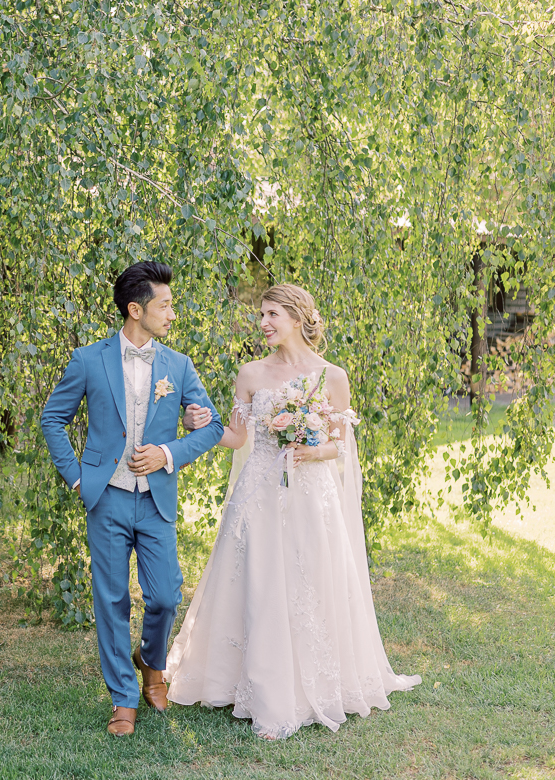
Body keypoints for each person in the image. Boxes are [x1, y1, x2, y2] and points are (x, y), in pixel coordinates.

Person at [168, 283, 420, 740]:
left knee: (309, 581)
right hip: (259, 494)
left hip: (310, 497)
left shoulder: (332, 375)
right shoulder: (249, 373)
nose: (262, 323)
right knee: (258, 581)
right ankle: (245, 679)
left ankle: (314, 683)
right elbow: (238, 438)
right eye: (261, 315)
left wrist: (311, 446)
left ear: (297, 317)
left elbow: (340, 445)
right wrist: (196, 424)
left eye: (271, 315)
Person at [41, 262, 225, 737]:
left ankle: (152, 660)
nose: (172, 314)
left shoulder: (179, 366)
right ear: (135, 309)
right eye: (164, 305)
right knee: (112, 599)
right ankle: (124, 698)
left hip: (156, 500)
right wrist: (79, 479)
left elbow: (214, 428)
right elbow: (53, 420)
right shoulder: (88, 360)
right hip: (107, 497)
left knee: (165, 594)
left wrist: (168, 451)